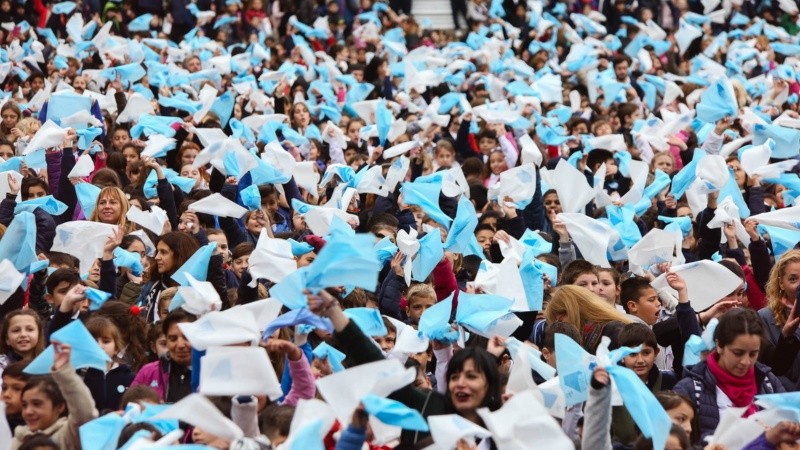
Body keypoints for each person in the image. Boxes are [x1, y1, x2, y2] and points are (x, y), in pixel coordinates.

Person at [673, 308, 785, 439]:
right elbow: (675, 443)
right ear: (719, 345)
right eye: (738, 353)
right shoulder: (690, 390)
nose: (746, 362)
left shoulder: (768, 382)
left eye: (753, 354)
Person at [11, 341, 98, 450]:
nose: (28, 412)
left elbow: (85, 413)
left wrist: (65, 372)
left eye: (37, 404)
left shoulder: (68, 436)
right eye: (24, 405)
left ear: (59, 407)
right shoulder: (16, 442)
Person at [130, 310, 195, 403]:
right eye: (173, 339)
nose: (180, 345)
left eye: (187, 337)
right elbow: (129, 408)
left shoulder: (212, 373)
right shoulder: (148, 372)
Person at [544, 285, 632, 353]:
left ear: (570, 310)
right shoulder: (585, 335)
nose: (561, 325)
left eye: (560, 320)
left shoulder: (614, 329)